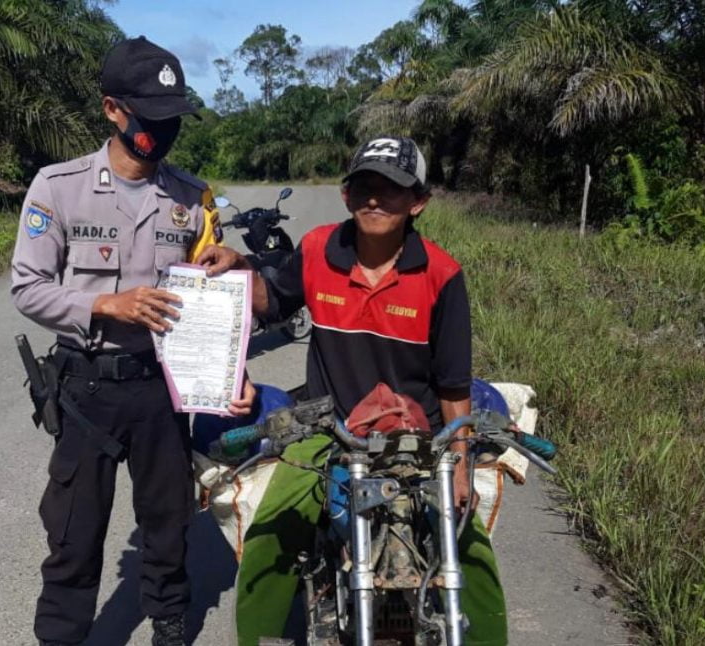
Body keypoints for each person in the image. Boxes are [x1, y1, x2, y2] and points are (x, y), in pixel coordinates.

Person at [197, 136, 508, 645]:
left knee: (469, 549)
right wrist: (240, 268)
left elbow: (453, 384)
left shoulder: (442, 274)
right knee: (272, 531)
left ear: (418, 202)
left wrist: (457, 462)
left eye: (392, 189)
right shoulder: (319, 249)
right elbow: (273, 300)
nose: (374, 199)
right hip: (330, 430)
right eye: (364, 186)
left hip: (418, 438)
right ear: (346, 195)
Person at [10, 36, 254, 646]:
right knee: (74, 531)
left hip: (160, 389)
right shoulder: (58, 187)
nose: (163, 130)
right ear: (112, 109)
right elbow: (28, 288)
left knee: (168, 522)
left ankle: (169, 622)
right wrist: (102, 304)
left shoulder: (192, 197)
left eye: (172, 117)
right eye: (150, 116)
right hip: (86, 387)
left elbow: (211, 298)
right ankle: (61, 635)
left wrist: (229, 267)